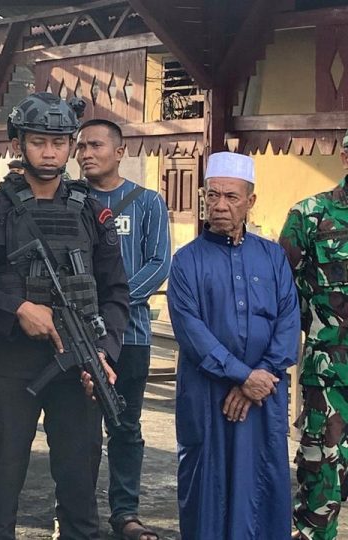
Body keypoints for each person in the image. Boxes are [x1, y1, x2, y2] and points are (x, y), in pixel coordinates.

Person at [0, 92, 129, 540]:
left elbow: (116, 292)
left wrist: (104, 353)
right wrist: (18, 308)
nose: (49, 152)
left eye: (59, 143)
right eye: (38, 141)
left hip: (79, 366)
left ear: (71, 146)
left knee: (80, 493)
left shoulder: (94, 212)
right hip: (10, 364)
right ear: (18, 144)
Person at [168, 152, 298, 539]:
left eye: (231, 197)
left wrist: (262, 375)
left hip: (263, 395)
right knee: (206, 485)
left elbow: (288, 320)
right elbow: (191, 331)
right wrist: (243, 375)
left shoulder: (272, 256)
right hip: (207, 393)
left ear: (250, 201)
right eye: (213, 195)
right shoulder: (186, 261)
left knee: (263, 482)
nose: (220, 205)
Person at [76, 118, 170, 540]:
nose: (86, 154)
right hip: (78, 338)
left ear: (119, 151)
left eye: (95, 145)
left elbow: (159, 263)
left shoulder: (147, 202)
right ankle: (75, 513)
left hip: (130, 337)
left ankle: (125, 513)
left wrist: (112, 303)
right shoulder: (70, 201)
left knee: (126, 427)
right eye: (81, 147)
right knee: (77, 430)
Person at [282, 130, 348, 540]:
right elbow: (278, 293)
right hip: (329, 376)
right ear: (345, 158)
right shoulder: (310, 215)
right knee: (321, 478)